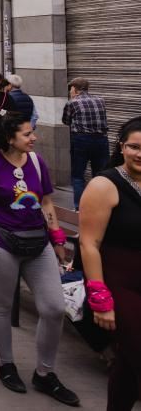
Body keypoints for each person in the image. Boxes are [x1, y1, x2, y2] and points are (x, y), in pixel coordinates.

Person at [0, 112, 77, 405]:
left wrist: (57, 237)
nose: (34, 137)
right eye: (27, 133)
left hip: (37, 242)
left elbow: (46, 202)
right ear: (10, 138)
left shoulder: (36, 162)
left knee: (53, 307)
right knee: (1, 304)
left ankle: (45, 373)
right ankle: (7, 364)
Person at [77, 116, 141, 410]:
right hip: (117, 281)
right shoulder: (104, 185)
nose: (139, 154)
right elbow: (89, 243)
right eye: (134, 147)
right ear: (121, 146)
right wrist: (100, 296)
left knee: (128, 363)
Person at [61, 76, 109, 209]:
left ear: (74, 89)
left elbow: (66, 121)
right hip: (101, 139)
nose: (70, 92)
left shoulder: (72, 103)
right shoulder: (100, 100)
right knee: (101, 174)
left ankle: (79, 207)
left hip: (81, 140)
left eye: (70, 89)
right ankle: (101, 204)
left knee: (78, 175)